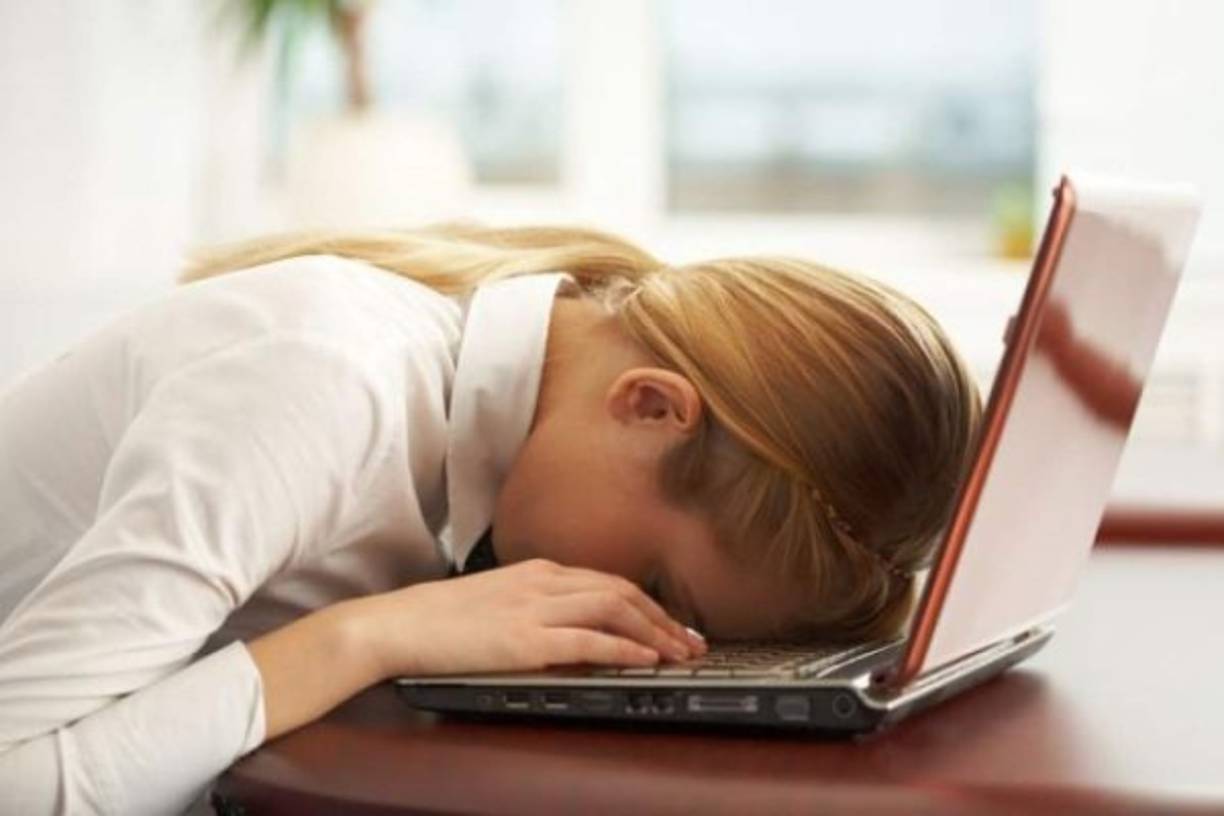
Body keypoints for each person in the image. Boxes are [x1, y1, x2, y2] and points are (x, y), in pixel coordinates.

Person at [0, 223, 981, 814]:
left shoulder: (477, 410)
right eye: (655, 591)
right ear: (648, 408)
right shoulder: (323, 393)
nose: (625, 621)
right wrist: (364, 639)